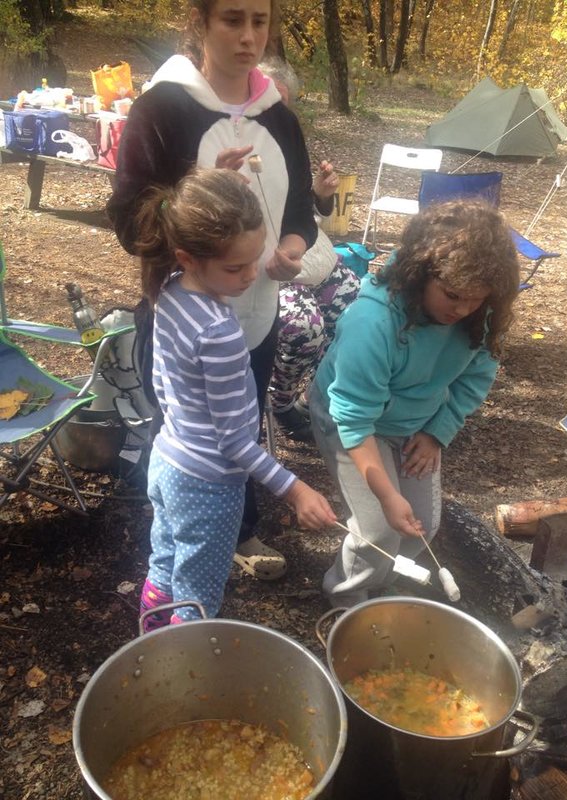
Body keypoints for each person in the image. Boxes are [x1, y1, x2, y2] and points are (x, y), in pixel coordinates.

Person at [107, 0, 317, 582]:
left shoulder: (279, 117)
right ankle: (177, 525)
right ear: (201, 23)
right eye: (232, 19)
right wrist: (196, 190)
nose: (249, 36)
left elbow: (302, 209)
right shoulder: (164, 108)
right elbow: (129, 221)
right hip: (182, 315)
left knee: (241, 423)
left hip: (256, 312)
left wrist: (292, 248)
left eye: (260, 21)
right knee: (182, 425)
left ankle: (236, 526)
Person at [136, 167, 336, 629]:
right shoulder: (219, 332)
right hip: (208, 484)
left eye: (255, 258)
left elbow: (164, 385)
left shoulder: (167, 289)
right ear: (188, 257)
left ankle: (147, 641)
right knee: (199, 597)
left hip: (167, 460)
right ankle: (184, 676)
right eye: (235, 267)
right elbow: (235, 443)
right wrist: (296, 489)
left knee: (165, 563)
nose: (252, 274)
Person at [310, 200, 521, 607]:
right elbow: (354, 419)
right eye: (452, 295)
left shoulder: (481, 313)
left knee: (423, 523)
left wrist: (436, 432)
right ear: (420, 275)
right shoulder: (373, 323)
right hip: (350, 420)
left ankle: (382, 576)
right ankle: (347, 597)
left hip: (414, 422)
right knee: (377, 528)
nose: (461, 309)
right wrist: (388, 496)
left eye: (474, 300)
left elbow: (477, 377)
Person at [257, 57, 361, 441]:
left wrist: (320, 195)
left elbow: (302, 209)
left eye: (280, 101)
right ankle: (280, 402)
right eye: (263, 95)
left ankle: (323, 396)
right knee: (305, 328)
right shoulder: (238, 140)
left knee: (363, 315)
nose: (271, 109)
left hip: (319, 261)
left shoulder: (288, 138)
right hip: (278, 272)